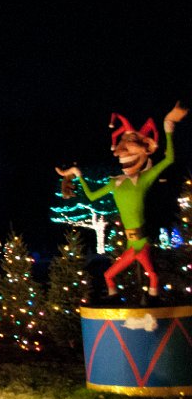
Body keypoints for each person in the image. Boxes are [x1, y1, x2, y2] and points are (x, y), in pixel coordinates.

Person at [56, 101, 186, 298]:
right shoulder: (115, 182)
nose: (124, 154)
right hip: (131, 243)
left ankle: (145, 296)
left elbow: (169, 159)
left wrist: (168, 129)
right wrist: (78, 174)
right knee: (133, 274)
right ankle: (139, 294)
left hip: (140, 243)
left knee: (129, 275)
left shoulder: (143, 179)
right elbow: (91, 196)